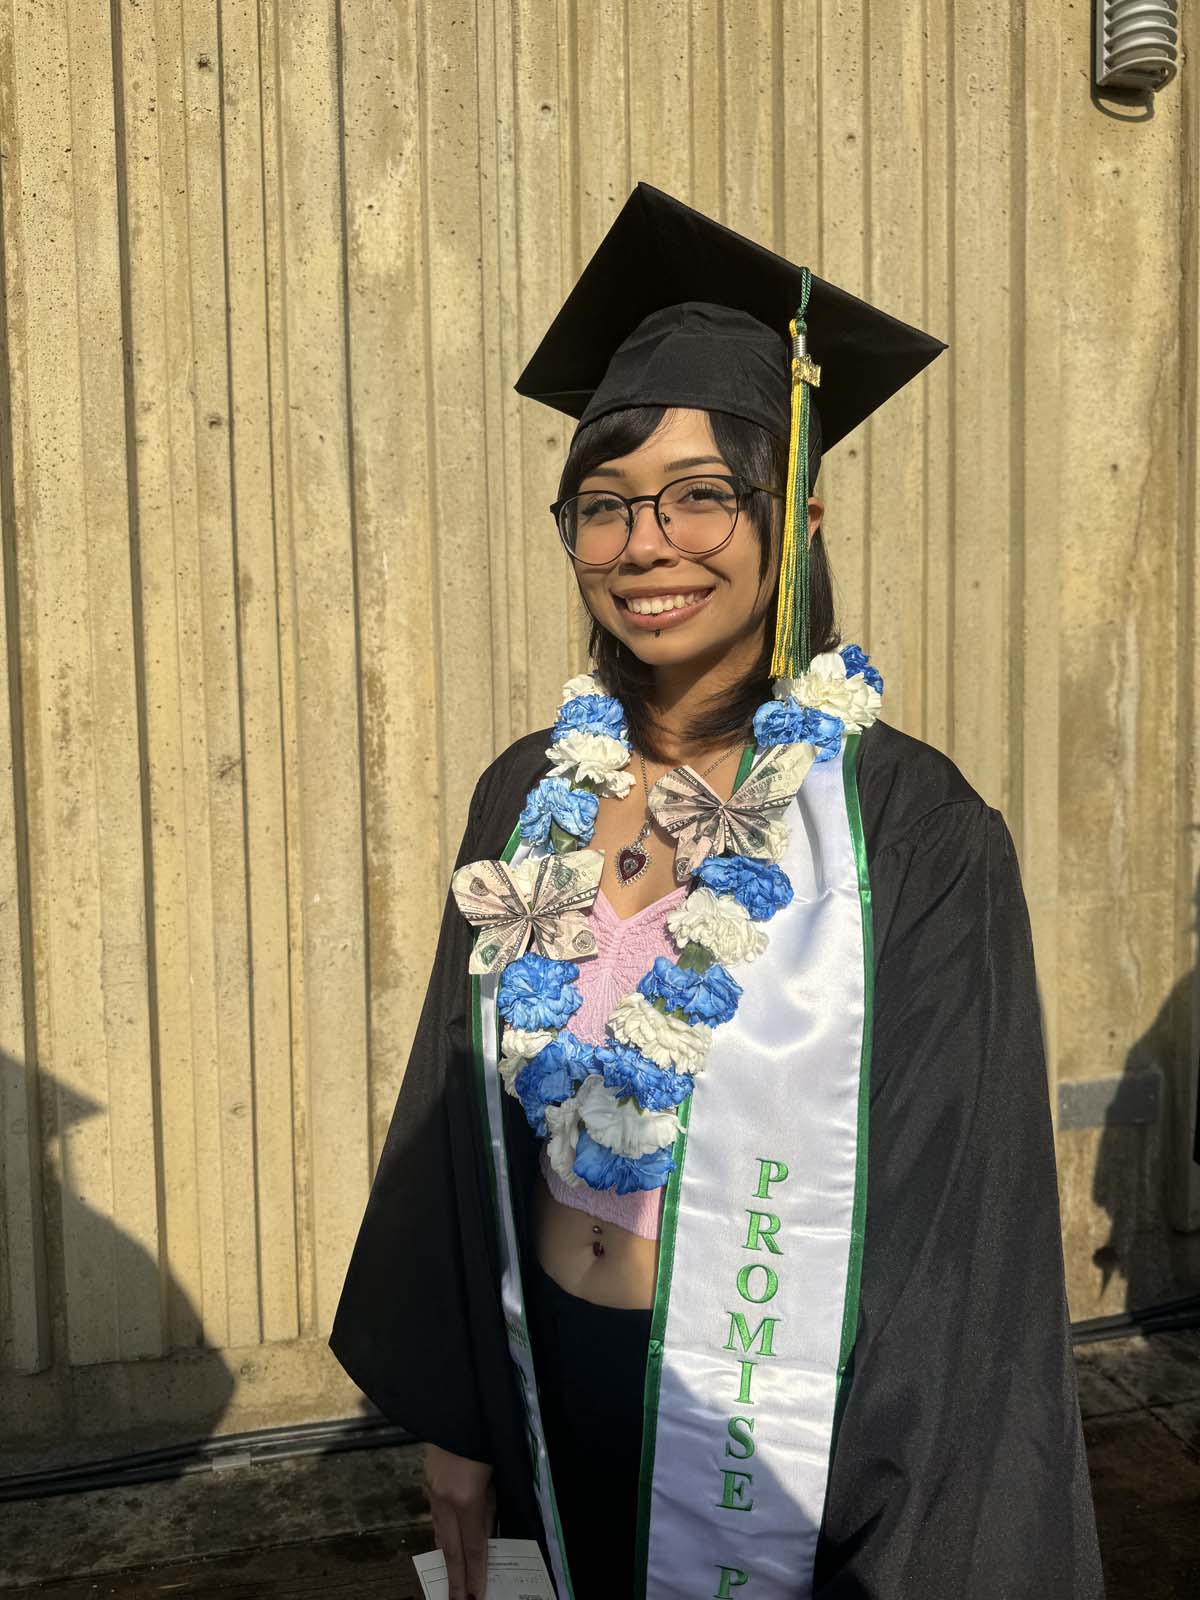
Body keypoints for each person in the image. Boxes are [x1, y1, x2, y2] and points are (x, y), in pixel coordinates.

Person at [330, 186, 1104, 1600]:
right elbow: (456, 1117)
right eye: (606, 506)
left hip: (788, 1419)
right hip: (547, 1380)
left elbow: (954, 1238)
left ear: (795, 510)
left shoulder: (910, 834)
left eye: (700, 494)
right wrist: (454, 1421)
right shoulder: (528, 791)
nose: (647, 546)